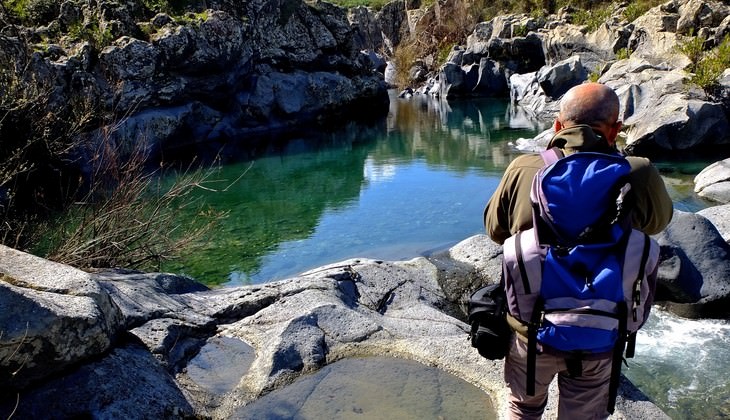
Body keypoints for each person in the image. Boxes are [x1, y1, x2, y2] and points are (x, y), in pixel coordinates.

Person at [483, 82, 673, 419]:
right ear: (614, 130)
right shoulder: (638, 172)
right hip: (602, 332)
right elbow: (658, 222)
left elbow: (495, 229)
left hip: (532, 329)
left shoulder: (526, 169)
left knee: (523, 408)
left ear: (558, 126)